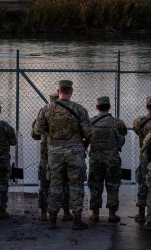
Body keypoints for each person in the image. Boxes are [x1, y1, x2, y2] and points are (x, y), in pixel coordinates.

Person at [34, 80, 91, 230]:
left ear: (58, 90)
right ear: (71, 92)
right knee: (76, 185)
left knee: (54, 185)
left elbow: (37, 132)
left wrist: (52, 135)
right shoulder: (80, 110)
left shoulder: (46, 109)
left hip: (55, 154)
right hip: (75, 153)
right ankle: (76, 220)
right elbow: (89, 133)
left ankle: (52, 220)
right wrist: (83, 147)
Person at [31, 93, 73, 222]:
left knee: (45, 184)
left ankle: (44, 213)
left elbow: (34, 134)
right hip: (63, 155)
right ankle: (66, 212)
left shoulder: (43, 114)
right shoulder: (69, 114)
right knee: (65, 183)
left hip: (46, 156)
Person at [88, 96, 127, 222]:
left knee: (95, 186)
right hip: (112, 159)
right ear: (109, 106)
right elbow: (124, 133)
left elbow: (85, 136)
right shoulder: (117, 122)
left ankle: (95, 214)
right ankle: (112, 214)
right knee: (113, 185)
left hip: (96, 159)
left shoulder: (91, 122)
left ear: (97, 107)